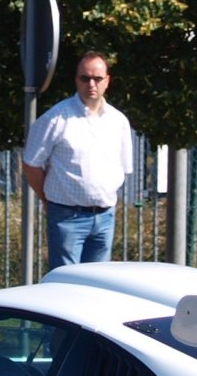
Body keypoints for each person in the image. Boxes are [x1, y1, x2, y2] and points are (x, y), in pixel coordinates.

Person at [23, 51, 134, 270]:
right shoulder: (55, 118)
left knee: (97, 285)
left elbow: (122, 167)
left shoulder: (117, 121)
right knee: (65, 284)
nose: (91, 84)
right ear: (76, 80)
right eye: (85, 78)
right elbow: (30, 164)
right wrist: (49, 201)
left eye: (97, 78)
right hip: (67, 217)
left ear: (107, 81)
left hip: (104, 217)